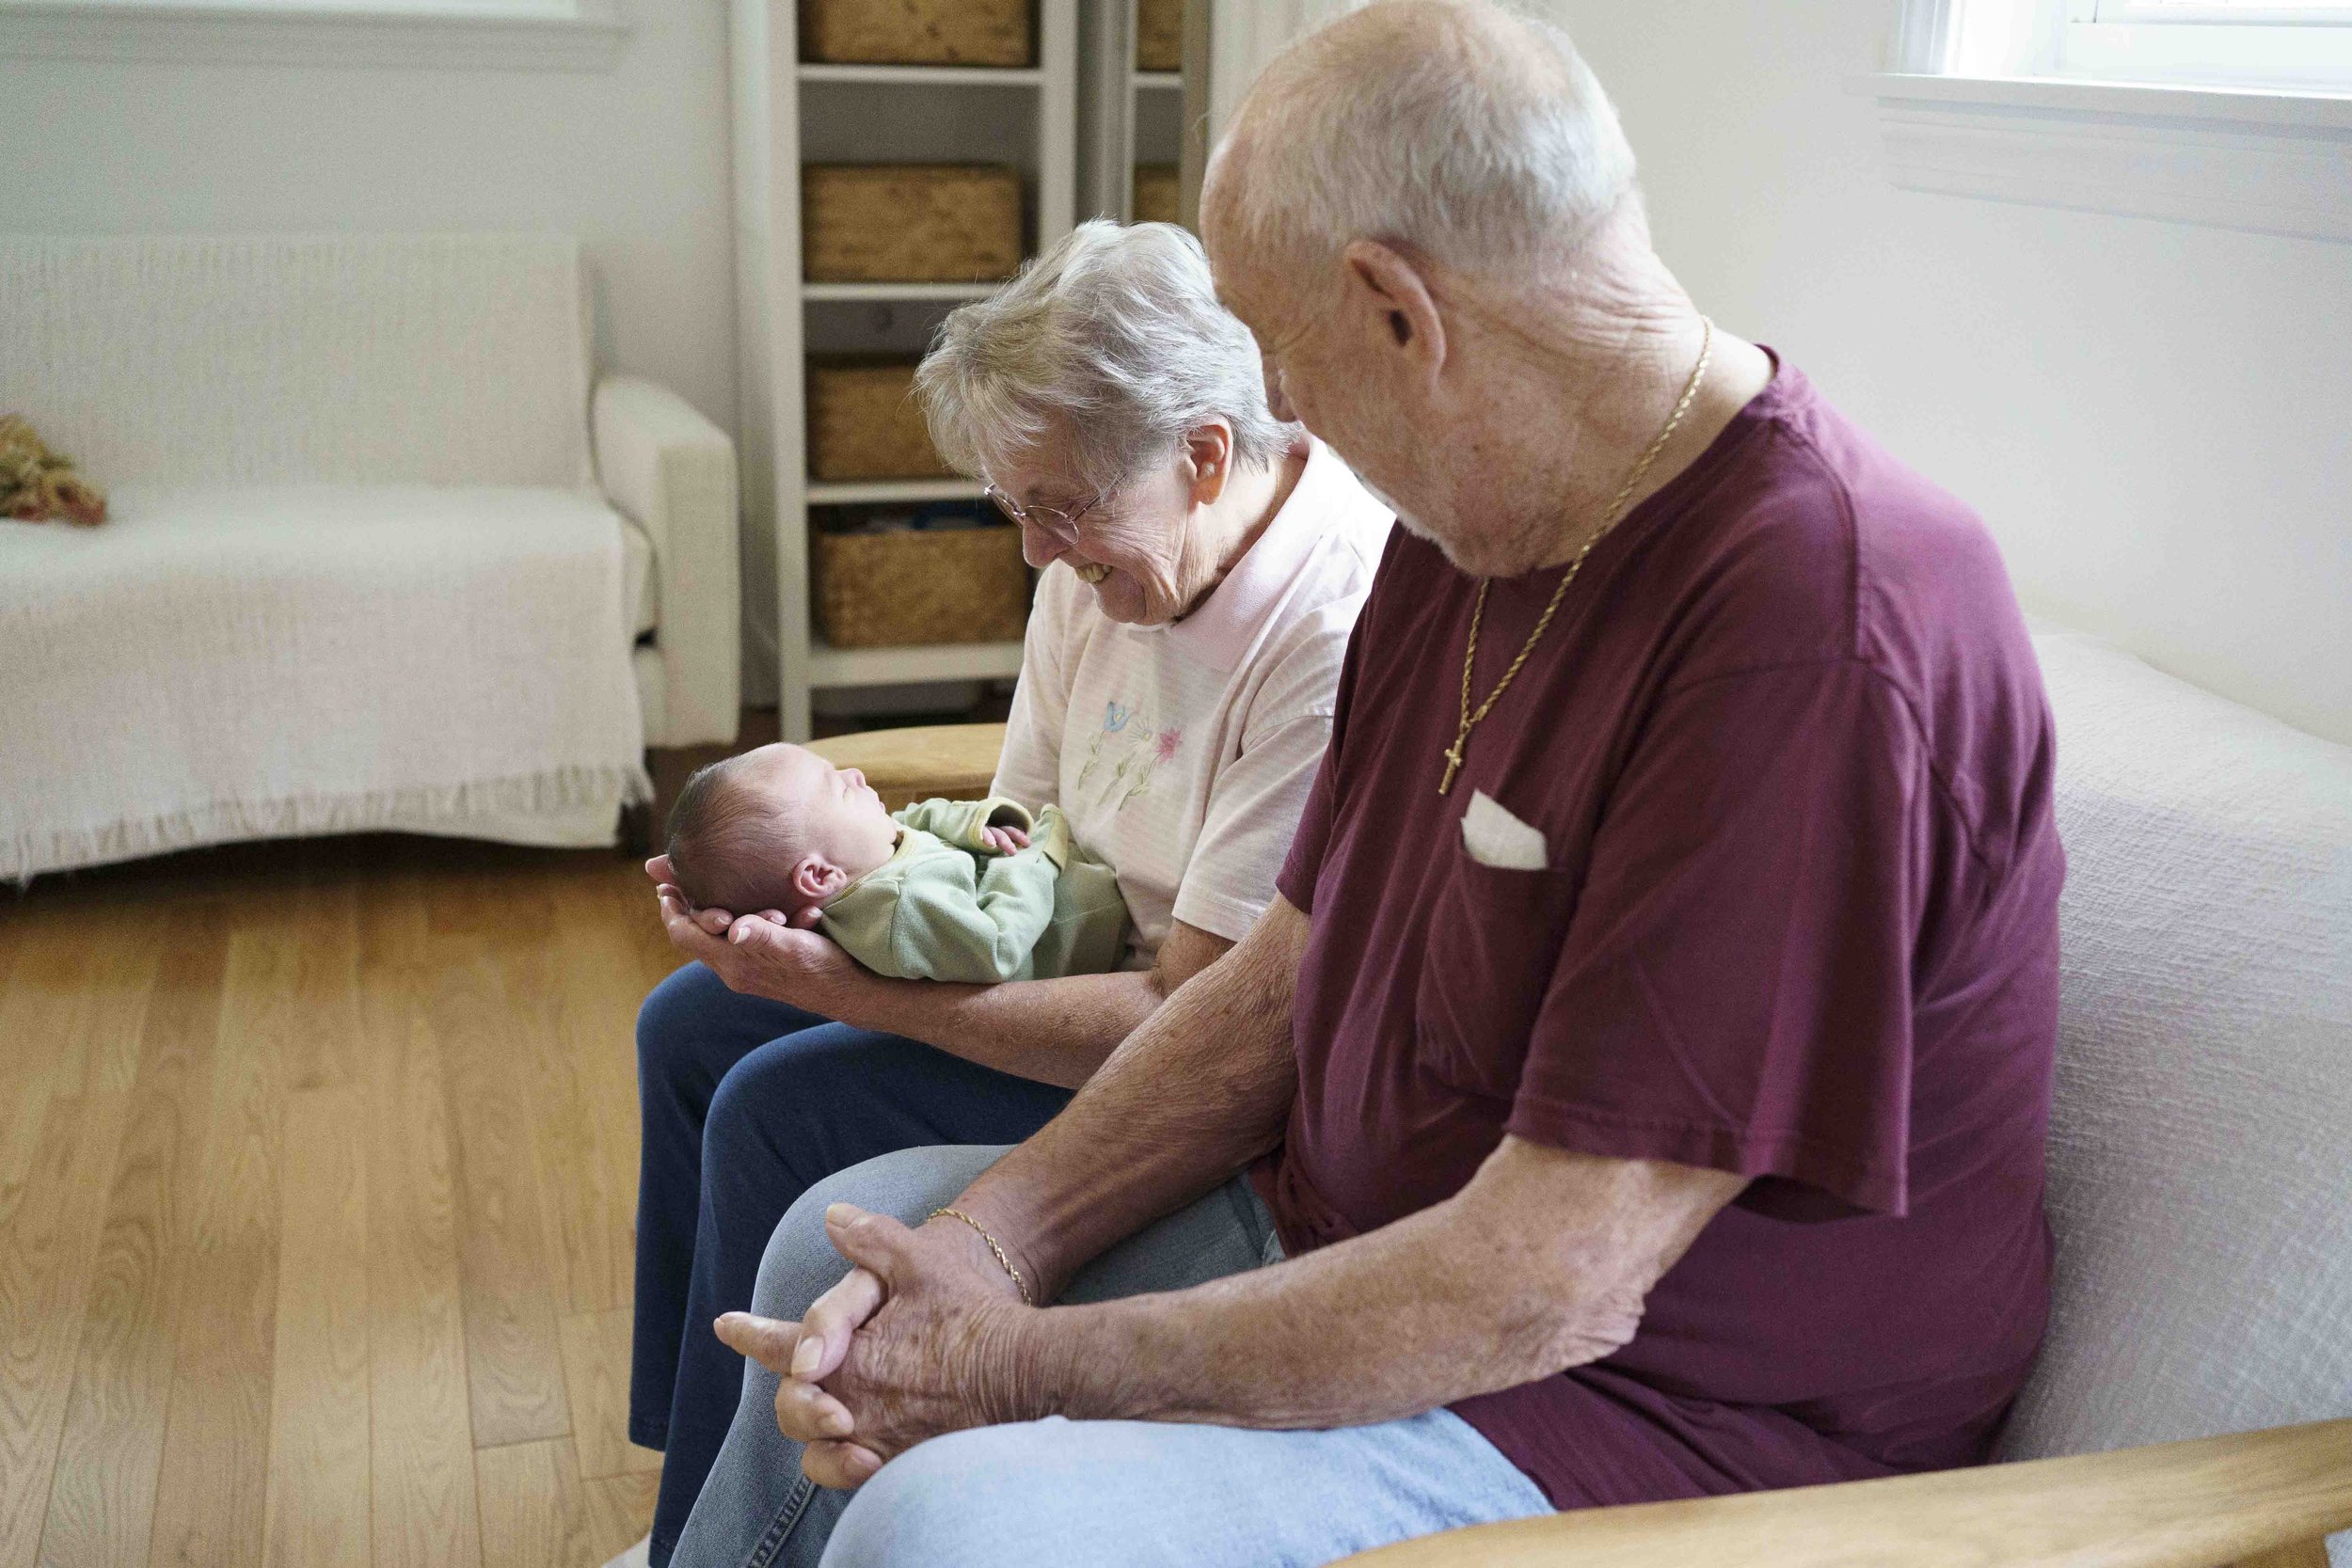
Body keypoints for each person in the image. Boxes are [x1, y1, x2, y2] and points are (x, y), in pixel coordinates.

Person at [662, 4, 2066, 1567]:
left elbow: (1552, 1276)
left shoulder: (1814, 622)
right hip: (1356, 1235)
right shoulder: (1464, 534)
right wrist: (995, 1244)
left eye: (1275, 345)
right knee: (828, 1268)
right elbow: (1281, 978)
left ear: (1399, 309)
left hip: (1648, 1412)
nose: (1271, 408)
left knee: (948, 1519)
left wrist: (1022, 1364)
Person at [624, 219, 1391, 1566]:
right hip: (1042, 946)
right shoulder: (1109, 547)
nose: (1038, 552)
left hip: (1169, 1047)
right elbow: (1015, 821)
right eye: (1017, 507)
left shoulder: (1327, 626)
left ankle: (730, 1542)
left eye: (1061, 509)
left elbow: (1194, 1009)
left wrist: (856, 988)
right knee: (690, 1023)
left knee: (771, 1103)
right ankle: (694, 1482)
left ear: (1204, 453)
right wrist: (820, 895)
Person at [660, 744, 1127, 983]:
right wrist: (1033, 858)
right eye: (839, 787)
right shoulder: (903, 910)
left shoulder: (864, 858)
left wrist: (983, 824)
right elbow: (998, 946)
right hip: (1086, 928)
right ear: (821, 875)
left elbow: (914, 823)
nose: (856, 774)